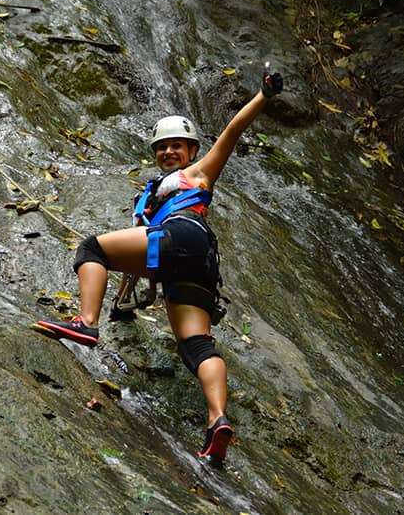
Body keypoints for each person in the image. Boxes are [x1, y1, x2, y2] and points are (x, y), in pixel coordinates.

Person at [36, 66, 283, 463]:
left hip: (180, 236)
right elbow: (142, 259)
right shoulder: (152, 201)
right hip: (198, 262)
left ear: (191, 151)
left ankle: (85, 322)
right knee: (196, 346)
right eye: (162, 147)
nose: (168, 152)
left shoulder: (199, 173)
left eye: (177, 146)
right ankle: (217, 421)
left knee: (91, 250)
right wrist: (122, 303)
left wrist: (263, 97)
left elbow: (232, 133)